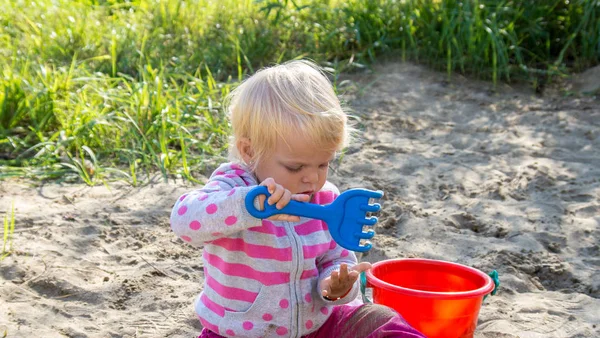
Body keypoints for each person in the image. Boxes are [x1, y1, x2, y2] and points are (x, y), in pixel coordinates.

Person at [170, 60, 425, 338]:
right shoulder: (233, 187)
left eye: (323, 164)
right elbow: (185, 221)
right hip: (241, 332)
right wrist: (248, 206)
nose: (312, 179)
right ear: (249, 152)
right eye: (295, 167)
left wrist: (335, 286)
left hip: (317, 326)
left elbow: (337, 258)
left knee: (379, 318)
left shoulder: (327, 200)